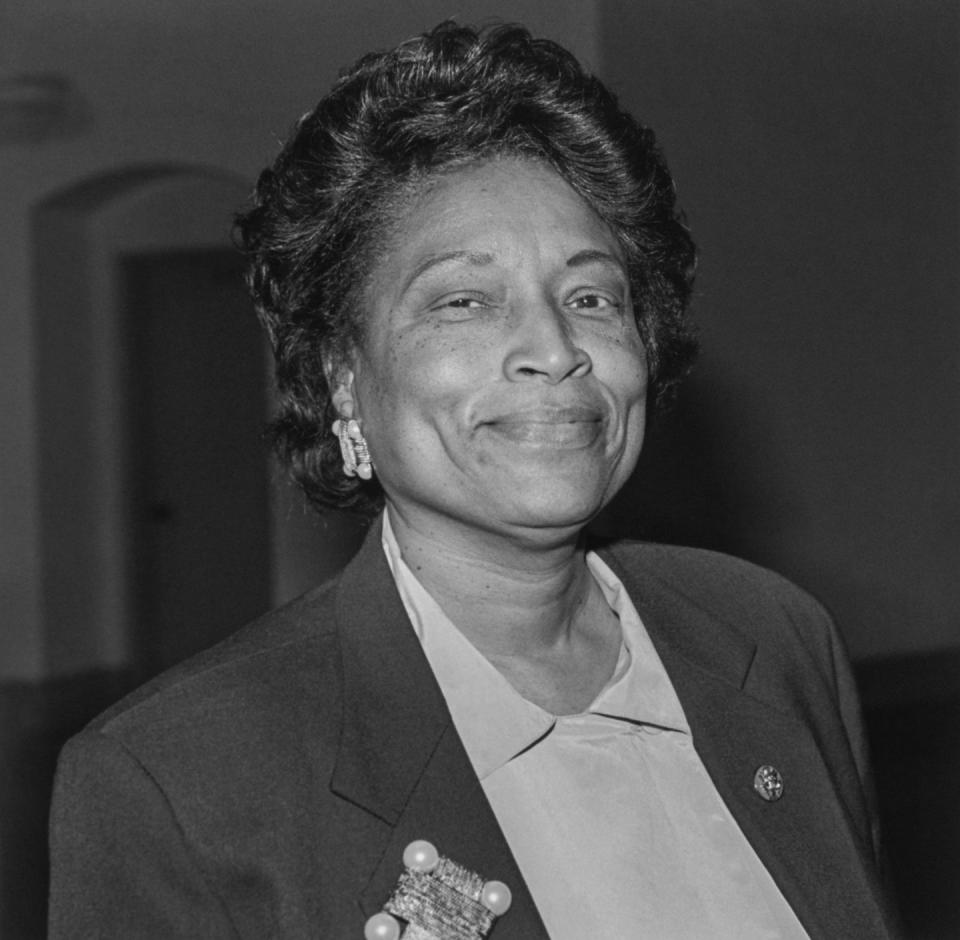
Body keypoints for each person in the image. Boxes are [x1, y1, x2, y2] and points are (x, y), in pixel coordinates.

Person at [48, 21, 899, 939]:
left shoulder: (771, 637)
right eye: (465, 300)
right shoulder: (175, 779)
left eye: (591, 297)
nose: (554, 349)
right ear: (343, 377)